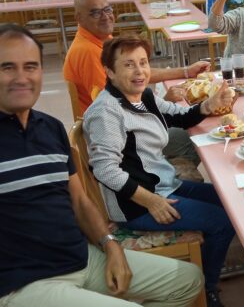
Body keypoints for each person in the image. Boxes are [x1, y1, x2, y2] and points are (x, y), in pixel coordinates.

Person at [0, 24, 203, 307]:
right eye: (7, 67)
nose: (22, 77)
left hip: (81, 257)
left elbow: (80, 202)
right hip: (24, 283)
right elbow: (107, 169)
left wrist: (110, 244)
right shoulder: (108, 110)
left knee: (188, 280)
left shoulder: (49, 129)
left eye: (31, 66)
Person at [82, 35, 236, 306]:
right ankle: (208, 289)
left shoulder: (144, 96)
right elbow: (104, 169)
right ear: (109, 71)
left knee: (230, 201)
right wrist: (150, 201)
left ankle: (208, 259)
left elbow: (180, 116)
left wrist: (211, 103)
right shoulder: (107, 112)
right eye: (129, 65)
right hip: (138, 205)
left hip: (165, 185)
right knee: (222, 221)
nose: (139, 71)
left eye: (143, 62)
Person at [63, 0, 207, 167]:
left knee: (191, 118)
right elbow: (116, 112)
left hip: (129, 131)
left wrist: (186, 72)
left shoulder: (98, 38)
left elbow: (135, 75)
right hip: (126, 143)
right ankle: (166, 176)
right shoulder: (88, 51)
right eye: (95, 12)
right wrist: (159, 103)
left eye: (107, 9)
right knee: (195, 134)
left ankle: (170, 173)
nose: (105, 16)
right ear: (79, 17)